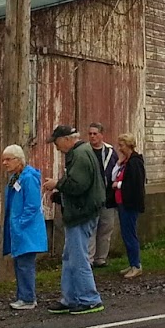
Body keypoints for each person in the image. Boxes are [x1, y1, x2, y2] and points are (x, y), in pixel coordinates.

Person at [41, 124, 105, 314]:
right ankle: (70, 298)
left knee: (78, 258)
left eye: (57, 143)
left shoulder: (80, 155)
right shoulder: (83, 152)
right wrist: (61, 196)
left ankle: (90, 298)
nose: (56, 147)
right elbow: (80, 186)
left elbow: (78, 185)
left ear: (66, 140)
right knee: (69, 257)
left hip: (81, 214)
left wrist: (57, 184)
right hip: (79, 211)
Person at [1, 145, 47, 310]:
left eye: (8, 159)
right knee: (20, 263)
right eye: (3, 160)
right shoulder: (16, 177)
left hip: (27, 230)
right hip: (20, 230)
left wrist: (19, 224)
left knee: (25, 264)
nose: (4, 163)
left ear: (18, 160)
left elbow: (32, 205)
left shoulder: (28, 178)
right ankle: (23, 296)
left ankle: (28, 298)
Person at [86, 122, 121, 269]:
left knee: (106, 228)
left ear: (101, 135)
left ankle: (101, 258)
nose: (92, 136)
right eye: (90, 134)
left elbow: (116, 168)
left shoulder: (110, 151)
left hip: (107, 196)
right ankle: (89, 259)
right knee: (91, 228)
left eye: (95, 133)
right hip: (91, 196)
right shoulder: (85, 151)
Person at [115, 134, 147, 278]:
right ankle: (132, 263)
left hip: (130, 204)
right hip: (122, 203)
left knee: (130, 234)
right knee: (126, 234)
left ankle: (136, 265)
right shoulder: (126, 162)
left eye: (121, 145)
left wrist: (119, 185)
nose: (119, 148)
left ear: (128, 145)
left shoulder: (135, 162)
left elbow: (135, 183)